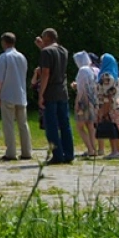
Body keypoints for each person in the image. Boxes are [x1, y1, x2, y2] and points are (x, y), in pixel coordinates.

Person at [37, 28, 75, 165]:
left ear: (47, 37)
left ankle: (57, 154)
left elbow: (46, 73)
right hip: (62, 90)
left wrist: (41, 94)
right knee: (65, 124)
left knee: (51, 125)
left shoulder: (46, 52)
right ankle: (69, 153)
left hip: (51, 91)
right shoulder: (63, 50)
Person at [0, 32, 32, 161]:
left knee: (8, 124)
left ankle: (11, 152)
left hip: (7, 94)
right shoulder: (22, 57)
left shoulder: (3, 57)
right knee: (23, 124)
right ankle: (27, 151)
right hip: (21, 94)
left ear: (4, 42)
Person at [95, 53, 119, 159]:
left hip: (109, 106)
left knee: (112, 128)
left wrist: (103, 111)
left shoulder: (106, 76)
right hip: (114, 105)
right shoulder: (114, 75)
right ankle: (115, 150)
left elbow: (107, 95)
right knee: (112, 127)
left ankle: (116, 151)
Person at [72, 50, 99, 158]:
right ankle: (94, 149)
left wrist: (77, 103)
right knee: (90, 126)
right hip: (93, 100)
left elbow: (81, 89)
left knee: (79, 127)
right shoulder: (92, 69)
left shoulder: (82, 70)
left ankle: (90, 149)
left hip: (84, 101)